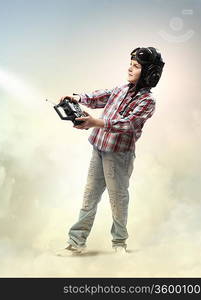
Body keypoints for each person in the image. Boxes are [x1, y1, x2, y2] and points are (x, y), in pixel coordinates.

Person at [57, 47, 165, 255]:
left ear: (150, 74)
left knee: (117, 199)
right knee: (89, 196)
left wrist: (94, 122)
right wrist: (77, 98)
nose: (130, 68)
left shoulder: (147, 101)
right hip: (99, 148)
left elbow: (128, 124)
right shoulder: (122, 89)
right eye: (130, 64)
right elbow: (102, 96)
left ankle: (119, 244)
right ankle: (76, 242)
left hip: (119, 155)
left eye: (136, 66)